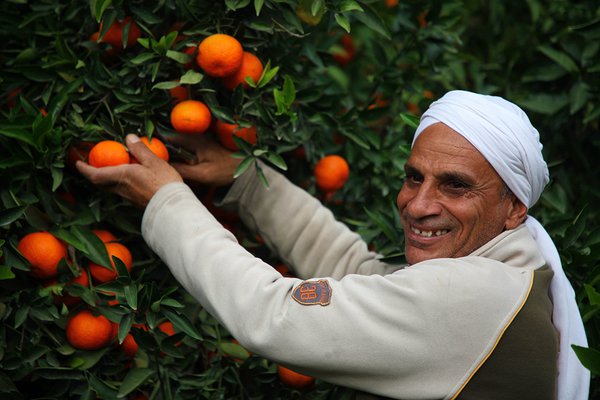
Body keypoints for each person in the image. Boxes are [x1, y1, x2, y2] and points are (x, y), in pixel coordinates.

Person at [77, 90, 590, 399]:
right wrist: (249, 180)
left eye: (455, 185)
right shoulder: (514, 276)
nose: (417, 205)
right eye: (414, 177)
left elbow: (274, 313)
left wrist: (165, 199)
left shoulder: (474, 298)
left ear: (515, 207)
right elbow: (362, 274)